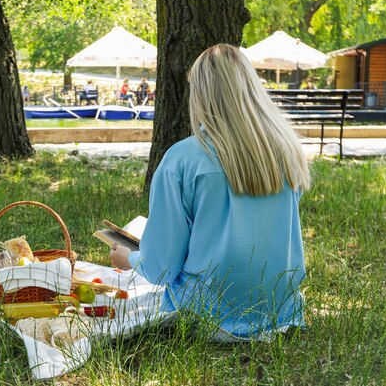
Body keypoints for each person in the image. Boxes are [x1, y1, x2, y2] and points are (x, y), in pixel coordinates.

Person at [110, 43, 311, 340]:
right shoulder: (286, 151)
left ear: (200, 95)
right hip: (278, 312)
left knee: (136, 235)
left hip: (206, 316)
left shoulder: (182, 159)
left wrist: (129, 258)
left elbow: (161, 269)